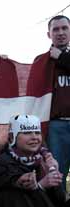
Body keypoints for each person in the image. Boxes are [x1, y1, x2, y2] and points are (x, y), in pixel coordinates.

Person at [0, 115, 69, 207]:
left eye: (37, 132)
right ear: (12, 137)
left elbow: (59, 201)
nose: (34, 137)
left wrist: (53, 174)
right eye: (27, 132)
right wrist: (40, 186)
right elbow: (16, 202)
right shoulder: (3, 162)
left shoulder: (44, 159)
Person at [38, 15, 70, 190]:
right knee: (56, 175)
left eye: (64, 28)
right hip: (56, 127)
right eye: (56, 29)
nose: (60, 33)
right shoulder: (41, 62)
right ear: (48, 34)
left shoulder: (62, 58)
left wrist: (62, 59)